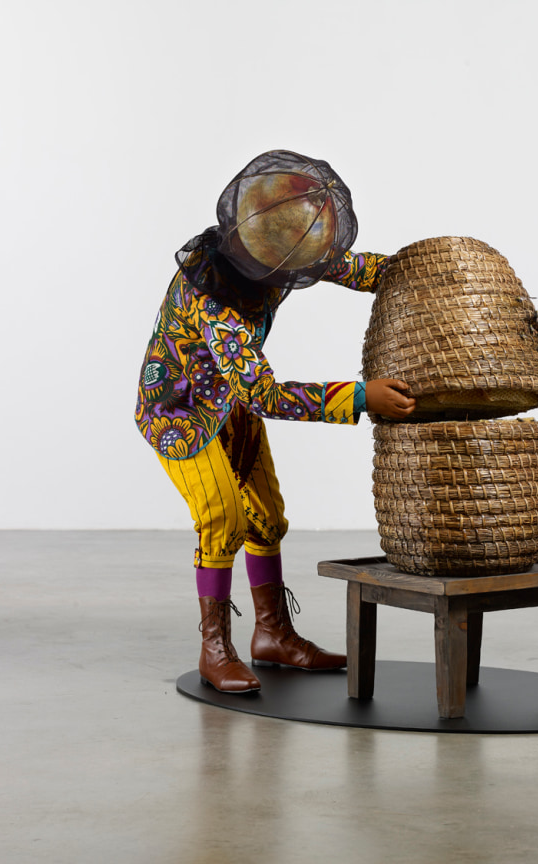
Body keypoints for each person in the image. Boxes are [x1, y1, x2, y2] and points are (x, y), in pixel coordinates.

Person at [135, 150, 415, 693]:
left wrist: (416, 267)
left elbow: (349, 266)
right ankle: (214, 648)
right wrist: (362, 397)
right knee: (222, 518)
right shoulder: (214, 300)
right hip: (182, 415)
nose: (306, 268)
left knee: (266, 516)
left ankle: (273, 634)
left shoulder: (272, 245)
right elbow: (264, 393)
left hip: (230, 403)